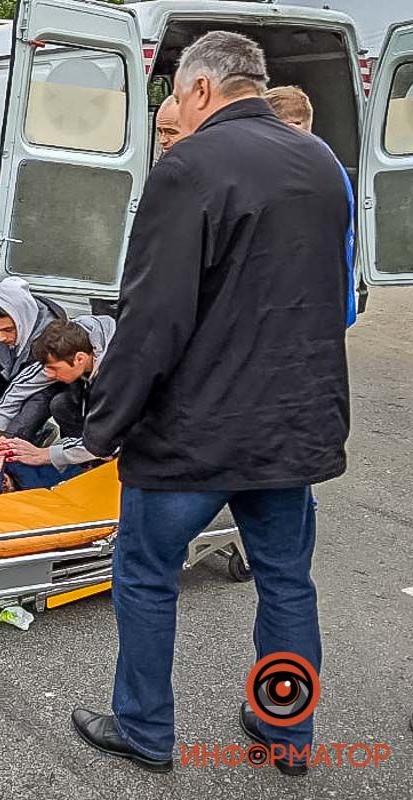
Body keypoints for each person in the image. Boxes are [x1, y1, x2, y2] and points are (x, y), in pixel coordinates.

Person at [70, 32, 351, 776]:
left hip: (195, 433)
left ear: (199, 90)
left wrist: (104, 425)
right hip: (289, 427)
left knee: (144, 570)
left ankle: (145, 728)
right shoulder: (322, 164)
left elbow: (151, 317)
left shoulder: (189, 166)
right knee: (286, 579)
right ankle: (286, 731)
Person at [0, 317, 116, 491]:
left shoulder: (117, 378)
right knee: (61, 404)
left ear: (80, 359)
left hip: (141, 436)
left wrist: (45, 455)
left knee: (106, 450)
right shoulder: (72, 340)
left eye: (54, 369)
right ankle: (89, 462)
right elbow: (21, 386)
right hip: (103, 418)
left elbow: (106, 440)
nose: (49, 374)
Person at [264, 85, 358, 327]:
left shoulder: (301, 172)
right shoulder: (326, 162)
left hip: (304, 313)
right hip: (324, 306)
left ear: (292, 126)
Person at [0, 277, 66, 467]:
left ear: (23, 319)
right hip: (9, 390)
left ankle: (35, 434)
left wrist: (7, 438)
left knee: (49, 404)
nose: (1, 338)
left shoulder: (53, 339)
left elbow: (41, 397)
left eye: (8, 330)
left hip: (37, 396)